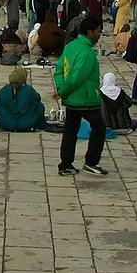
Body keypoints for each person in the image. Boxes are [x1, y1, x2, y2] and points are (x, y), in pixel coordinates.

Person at [53, 17, 107, 175]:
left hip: (71, 99)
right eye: (98, 31)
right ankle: (91, 162)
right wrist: (62, 91)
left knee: (70, 130)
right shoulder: (87, 53)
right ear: (89, 32)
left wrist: (61, 88)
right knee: (99, 127)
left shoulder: (70, 46)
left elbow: (59, 69)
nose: (99, 34)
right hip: (85, 98)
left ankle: (65, 164)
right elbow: (77, 77)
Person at [0, 67, 47, 132]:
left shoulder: (4, 90)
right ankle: (41, 126)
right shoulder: (28, 90)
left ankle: (1, 126)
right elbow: (37, 100)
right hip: (26, 124)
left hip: (7, 124)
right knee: (40, 106)